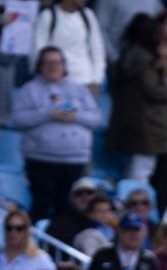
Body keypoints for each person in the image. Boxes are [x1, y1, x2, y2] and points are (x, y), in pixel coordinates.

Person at [11, 46, 103, 222]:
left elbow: (96, 118)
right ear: (40, 66)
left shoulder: (79, 90)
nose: (53, 66)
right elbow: (18, 119)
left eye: (57, 62)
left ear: (64, 65)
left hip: (75, 161)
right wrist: (48, 114)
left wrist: (76, 116)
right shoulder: (28, 90)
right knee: (41, 208)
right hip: (41, 160)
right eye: (48, 63)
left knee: (70, 212)